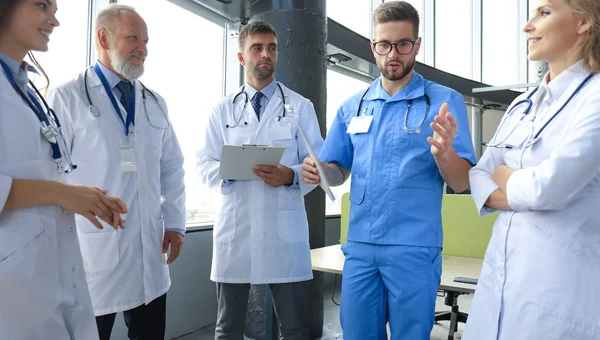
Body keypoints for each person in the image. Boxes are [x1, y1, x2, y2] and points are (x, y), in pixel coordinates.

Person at [302, 1, 476, 339]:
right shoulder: (353, 106)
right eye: (384, 45)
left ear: (417, 45)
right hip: (361, 246)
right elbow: (339, 170)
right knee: (356, 334)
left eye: (403, 44)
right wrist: (320, 170)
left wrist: (444, 155)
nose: (392, 54)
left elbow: (461, 181)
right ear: (373, 46)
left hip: (414, 246)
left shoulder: (443, 102)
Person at [47, 4, 186, 339]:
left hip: (150, 251)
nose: (143, 48)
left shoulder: (154, 102)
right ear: (103, 38)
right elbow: (51, 173)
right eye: (133, 38)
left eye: (146, 41)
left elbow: (172, 168)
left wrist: (177, 225)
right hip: (95, 251)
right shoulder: (67, 97)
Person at [464, 0, 600, 339]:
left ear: (583, 22)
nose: (527, 26)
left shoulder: (595, 96)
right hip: (498, 288)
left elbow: (548, 188)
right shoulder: (521, 105)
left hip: (560, 297)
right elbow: (479, 173)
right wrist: (523, 189)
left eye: (544, 13)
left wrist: (506, 178)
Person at [0, 0, 128, 339]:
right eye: (42, 6)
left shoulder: (23, 85)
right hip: (13, 287)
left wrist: (79, 197)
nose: (54, 20)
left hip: (43, 270)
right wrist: (62, 194)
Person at [196, 20, 324, 340]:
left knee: (295, 329)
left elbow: (317, 165)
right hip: (236, 233)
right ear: (242, 57)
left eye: (271, 47)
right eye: (257, 47)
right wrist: (231, 170)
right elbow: (202, 165)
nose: (266, 54)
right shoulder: (221, 110)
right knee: (228, 329)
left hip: (285, 236)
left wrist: (290, 175)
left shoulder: (299, 107)